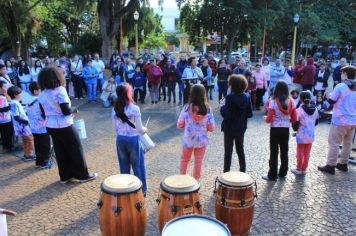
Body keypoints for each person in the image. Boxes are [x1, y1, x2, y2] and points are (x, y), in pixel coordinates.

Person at [38, 66, 97, 183]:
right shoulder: (60, 90)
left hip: (50, 126)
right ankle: (82, 175)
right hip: (64, 125)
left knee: (60, 150)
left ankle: (65, 176)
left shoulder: (42, 93)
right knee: (75, 149)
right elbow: (66, 111)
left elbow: (43, 113)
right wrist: (74, 110)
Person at [318, 65, 356, 174]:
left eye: (342, 73)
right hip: (354, 120)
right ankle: (343, 163)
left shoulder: (341, 86)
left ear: (345, 74)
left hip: (340, 120)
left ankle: (331, 165)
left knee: (334, 143)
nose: (341, 74)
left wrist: (330, 95)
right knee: (347, 143)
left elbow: (331, 101)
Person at [112, 83, 148, 193]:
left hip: (120, 139)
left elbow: (115, 129)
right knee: (138, 166)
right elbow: (140, 129)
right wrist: (145, 129)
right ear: (128, 93)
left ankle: (126, 190)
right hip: (133, 139)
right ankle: (141, 190)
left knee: (123, 166)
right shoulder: (134, 108)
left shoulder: (114, 109)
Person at [177, 84, 215, 180]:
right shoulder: (208, 109)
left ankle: (182, 180)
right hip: (201, 141)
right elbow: (211, 128)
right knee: (198, 162)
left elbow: (179, 124)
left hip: (188, 140)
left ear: (192, 94)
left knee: (184, 160)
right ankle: (196, 182)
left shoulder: (186, 108)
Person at [262, 81, 298, 181]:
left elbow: (269, 119)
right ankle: (283, 172)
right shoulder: (291, 101)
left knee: (274, 152)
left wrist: (265, 118)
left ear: (276, 90)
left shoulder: (273, 101)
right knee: (284, 151)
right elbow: (295, 118)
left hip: (275, 129)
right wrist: (287, 120)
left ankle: (272, 175)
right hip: (285, 129)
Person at [220, 75, 253, 172]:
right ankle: (243, 171)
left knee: (228, 151)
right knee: (240, 149)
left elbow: (227, 115)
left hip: (229, 128)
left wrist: (222, 106)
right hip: (241, 127)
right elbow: (250, 114)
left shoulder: (229, 98)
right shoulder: (247, 97)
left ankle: (226, 172)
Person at [291, 91, 319, 175]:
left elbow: (295, 124)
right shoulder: (315, 109)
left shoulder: (298, 110)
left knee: (300, 152)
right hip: (311, 134)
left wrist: (296, 131)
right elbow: (316, 122)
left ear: (300, 99)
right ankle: (304, 168)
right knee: (307, 153)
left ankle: (299, 168)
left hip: (302, 135)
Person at [27, 82, 51, 168]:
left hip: (33, 127)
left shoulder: (28, 100)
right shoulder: (39, 101)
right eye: (41, 90)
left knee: (37, 144)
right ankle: (45, 162)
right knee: (45, 145)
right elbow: (45, 114)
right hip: (42, 127)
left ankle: (39, 161)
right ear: (35, 91)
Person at [7, 86, 35, 161]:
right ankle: (29, 155)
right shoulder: (14, 104)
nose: (21, 95)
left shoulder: (15, 102)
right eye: (20, 94)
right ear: (15, 95)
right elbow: (16, 116)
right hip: (22, 125)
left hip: (21, 126)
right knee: (30, 139)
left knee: (25, 140)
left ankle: (26, 154)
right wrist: (26, 122)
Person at [0, 82, 14, 152]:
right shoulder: (2, 97)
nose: (6, 88)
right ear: (0, 88)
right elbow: (2, 109)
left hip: (3, 119)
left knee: (4, 133)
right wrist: (10, 106)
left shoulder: (3, 96)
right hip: (5, 118)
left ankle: (6, 147)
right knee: (8, 133)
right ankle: (9, 147)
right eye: (4, 86)